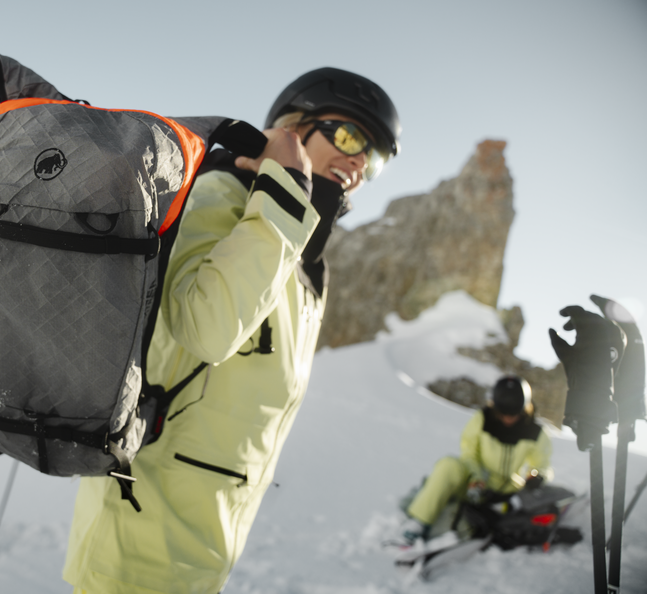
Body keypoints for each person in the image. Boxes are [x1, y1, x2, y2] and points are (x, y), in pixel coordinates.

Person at [63, 68, 402, 593]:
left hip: (205, 542)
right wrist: (285, 189)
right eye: (349, 135)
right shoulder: (225, 193)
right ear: (292, 128)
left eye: (374, 157)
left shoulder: (308, 261)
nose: (359, 162)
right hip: (138, 535)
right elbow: (206, 327)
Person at [400, 376, 553, 544]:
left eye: (514, 414)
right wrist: (476, 478)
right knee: (449, 464)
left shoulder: (536, 433)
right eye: (504, 413)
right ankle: (419, 522)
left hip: (508, 494)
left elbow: (542, 465)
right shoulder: (482, 420)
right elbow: (469, 454)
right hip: (476, 487)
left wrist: (537, 476)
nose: (508, 418)